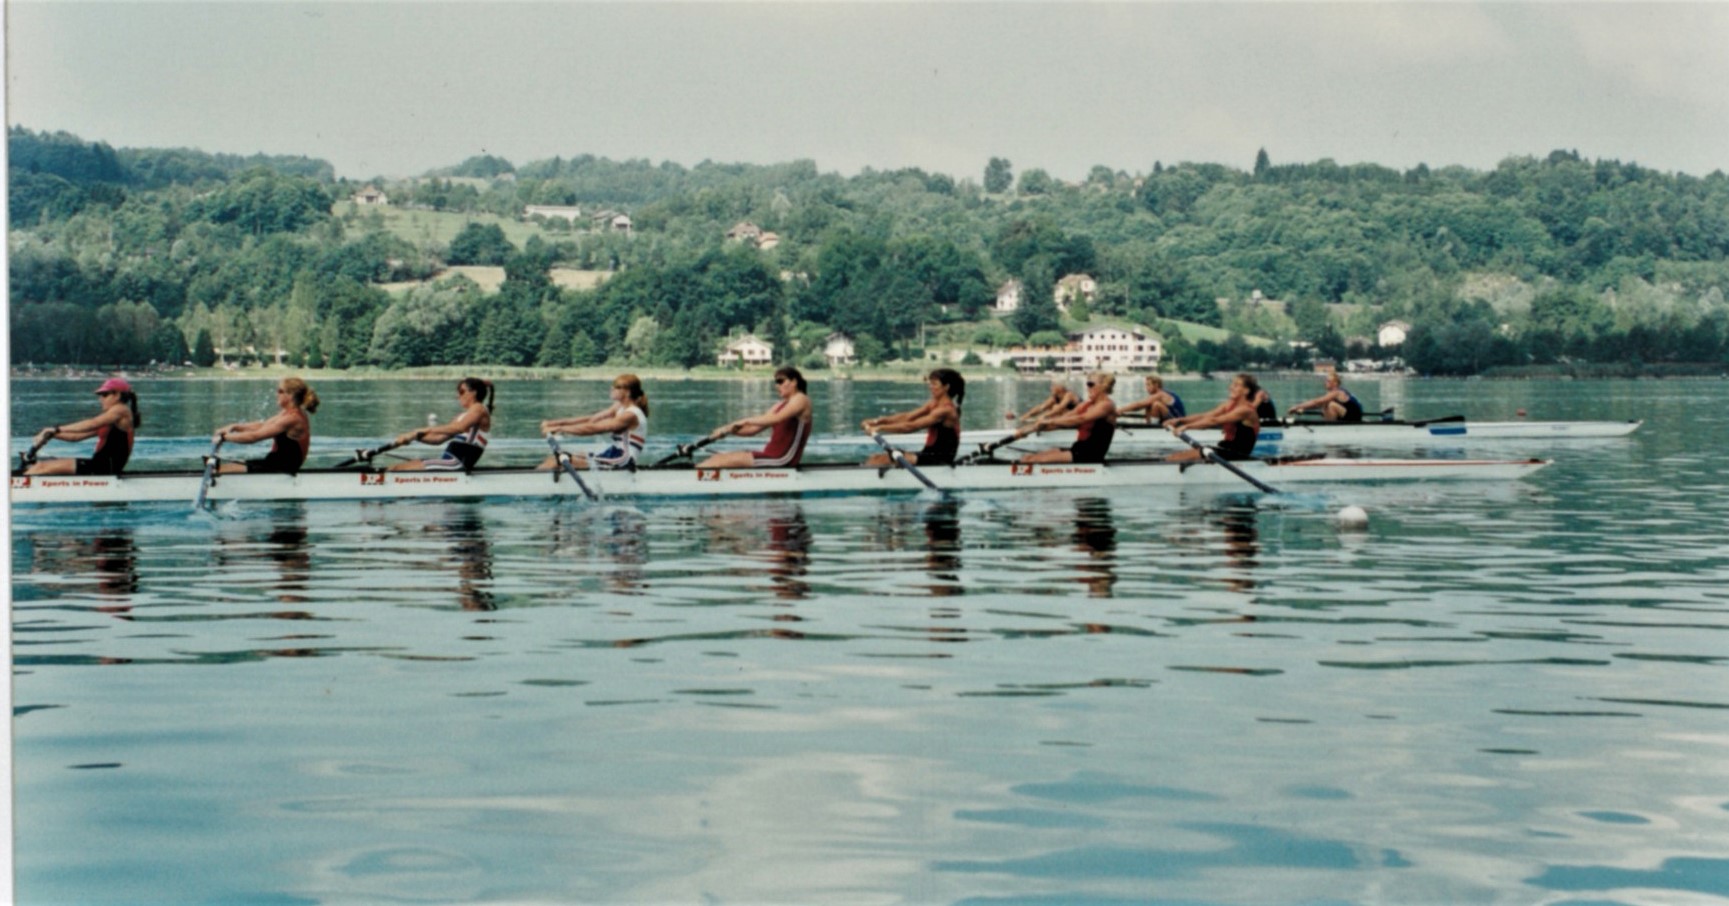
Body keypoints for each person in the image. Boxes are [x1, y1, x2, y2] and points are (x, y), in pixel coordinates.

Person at [698, 367, 814, 468]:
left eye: (780, 381)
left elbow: (776, 419)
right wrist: (727, 430)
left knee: (721, 461)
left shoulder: (801, 399)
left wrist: (745, 420)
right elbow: (752, 430)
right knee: (717, 458)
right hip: (769, 456)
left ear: (794, 382)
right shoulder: (779, 405)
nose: (777, 385)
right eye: (776, 382)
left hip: (782, 459)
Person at [25, 377, 139, 476]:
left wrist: (56, 428)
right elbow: (75, 437)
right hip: (100, 466)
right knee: (41, 465)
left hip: (103, 468)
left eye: (104, 395)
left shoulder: (121, 409)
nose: (100, 399)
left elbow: (92, 423)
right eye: (100, 395)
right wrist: (52, 434)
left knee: (40, 467)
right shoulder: (110, 420)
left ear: (117, 395)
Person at [537, 374, 649, 471]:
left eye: (617, 387)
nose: (612, 388)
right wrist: (554, 424)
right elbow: (591, 419)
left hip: (623, 460)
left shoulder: (631, 414)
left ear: (627, 392)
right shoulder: (619, 406)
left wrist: (560, 429)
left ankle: (530, 483)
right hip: (612, 453)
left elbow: (594, 428)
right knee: (555, 458)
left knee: (556, 461)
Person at [213, 377, 319, 474]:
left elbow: (254, 437)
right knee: (228, 466)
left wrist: (224, 437)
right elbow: (262, 426)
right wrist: (235, 427)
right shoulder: (287, 413)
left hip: (281, 469)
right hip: (273, 463)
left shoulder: (293, 418)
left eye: (280, 391)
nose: (277, 394)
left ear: (290, 395)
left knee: (220, 470)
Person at [863, 368, 966, 467]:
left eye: (934, 384)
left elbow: (911, 426)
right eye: (930, 383)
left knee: (882, 460)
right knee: (875, 458)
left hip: (939, 459)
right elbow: (907, 417)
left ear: (946, 387)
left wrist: (880, 428)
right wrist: (877, 421)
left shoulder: (946, 410)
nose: (930, 386)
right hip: (927, 454)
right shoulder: (933, 404)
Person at [390, 377, 494, 471]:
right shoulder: (463, 416)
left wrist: (424, 430)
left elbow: (459, 428)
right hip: (449, 462)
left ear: (473, 393)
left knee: (397, 469)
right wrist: (414, 436)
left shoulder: (479, 408)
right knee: (397, 467)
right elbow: (438, 439)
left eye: (461, 391)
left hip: (457, 464)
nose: (458, 396)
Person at [1014, 372, 1118, 464]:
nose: (1087, 387)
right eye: (1087, 384)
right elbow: (1063, 419)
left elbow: (1081, 418)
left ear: (1103, 386)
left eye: (1090, 384)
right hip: (1078, 449)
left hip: (1091, 455)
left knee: (1032, 460)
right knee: (1028, 457)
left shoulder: (1107, 405)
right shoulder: (1086, 405)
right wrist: (1028, 430)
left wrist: (1049, 420)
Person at [1166, 372, 1264, 462]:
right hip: (1225, 449)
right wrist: (1179, 420)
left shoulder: (1246, 410)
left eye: (1236, 385)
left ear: (1246, 391)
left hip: (1237, 454)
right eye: (1232, 384)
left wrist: (1186, 427)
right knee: (1173, 457)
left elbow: (1214, 421)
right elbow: (1205, 415)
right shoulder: (1228, 404)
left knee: (1177, 459)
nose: (1231, 387)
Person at [1287, 370, 1363, 422]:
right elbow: (1317, 405)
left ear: (1335, 383)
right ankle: (1329, 425)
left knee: (1331, 405)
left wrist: (1297, 406)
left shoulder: (1337, 392)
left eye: (1328, 381)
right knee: (1325, 404)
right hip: (1347, 415)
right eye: (1326, 380)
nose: (1325, 382)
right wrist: (1303, 408)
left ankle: (1329, 428)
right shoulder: (1331, 394)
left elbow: (1316, 402)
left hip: (1354, 417)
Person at [1006, 380, 1080, 424]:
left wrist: (1044, 416)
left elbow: (1059, 408)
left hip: (1077, 419)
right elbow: (1041, 407)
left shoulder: (1069, 395)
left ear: (1060, 387)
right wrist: (1026, 416)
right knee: (1049, 407)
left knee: (1055, 407)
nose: (1051, 387)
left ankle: (1045, 422)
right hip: (1065, 418)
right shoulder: (1055, 397)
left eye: (1053, 385)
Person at [1118, 375, 1185, 423]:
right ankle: (1149, 424)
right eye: (1146, 385)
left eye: (1148, 385)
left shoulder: (1161, 394)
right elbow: (1139, 406)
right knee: (1148, 404)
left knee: (1156, 405)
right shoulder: (1154, 396)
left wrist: (1120, 410)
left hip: (1178, 421)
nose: (1146, 387)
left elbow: (1139, 405)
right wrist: (1123, 411)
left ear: (1156, 385)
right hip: (1169, 419)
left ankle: (1152, 427)